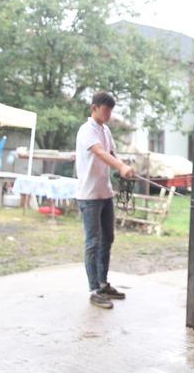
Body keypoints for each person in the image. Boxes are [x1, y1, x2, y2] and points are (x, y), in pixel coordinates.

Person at [75, 92, 134, 309]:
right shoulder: (86, 130)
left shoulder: (105, 130)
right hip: (89, 195)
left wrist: (124, 167)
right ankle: (94, 290)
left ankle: (103, 282)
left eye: (111, 110)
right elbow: (99, 153)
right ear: (94, 108)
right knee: (93, 243)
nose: (109, 113)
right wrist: (120, 166)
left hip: (105, 193)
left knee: (107, 239)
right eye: (106, 109)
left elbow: (111, 154)